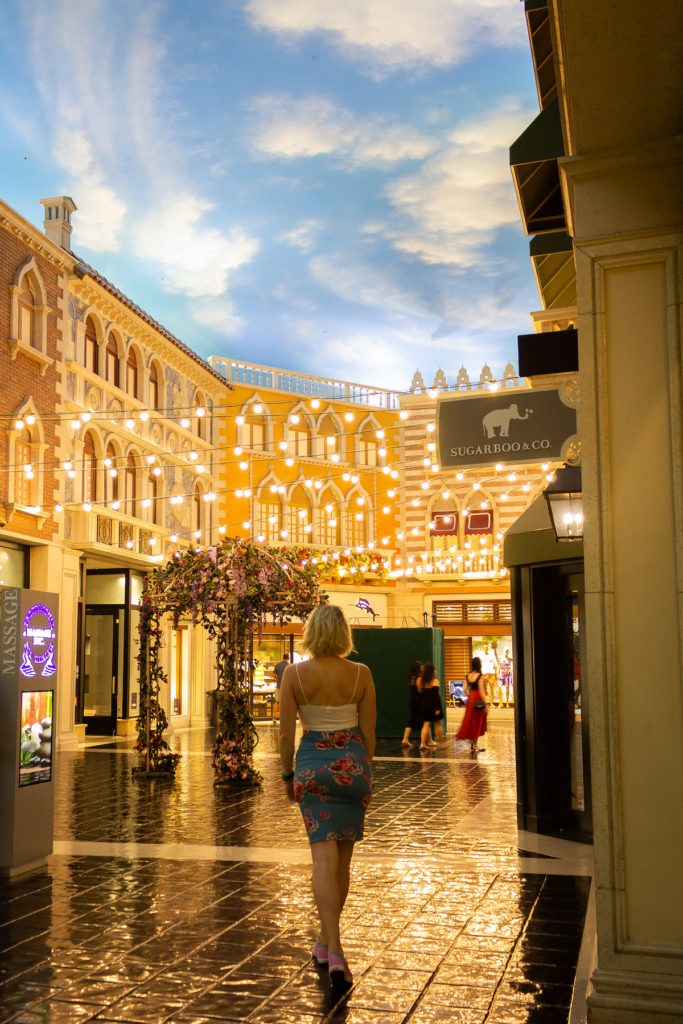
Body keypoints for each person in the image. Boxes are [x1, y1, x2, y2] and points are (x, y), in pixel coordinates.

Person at [279, 604, 376, 989]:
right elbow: (369, 733)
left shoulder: (294, 674)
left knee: (322, 858)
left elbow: (286, 735)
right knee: (343, 863)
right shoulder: (361, 674)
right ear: (343, 634)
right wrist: (363, 770)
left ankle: (333, 947)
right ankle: (326, 943)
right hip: (351, 766)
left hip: (312, 766)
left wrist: (288, 775)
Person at [455, 656, 488, 755]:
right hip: (477, 698)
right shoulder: (480, 676)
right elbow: (482, 691)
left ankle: (473, 743)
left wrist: (469, 696)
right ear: (479, 665)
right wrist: (486, 704)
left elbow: (464, 689)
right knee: (477, 721)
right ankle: (474, 744)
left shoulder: (468, 676)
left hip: (470, 699)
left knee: (470, 720)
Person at [418, 662, 443, 750]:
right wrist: (437, 708)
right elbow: (435, 696)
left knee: (425, 724)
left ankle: (422, 744)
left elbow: (420, 692)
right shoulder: (435, 681)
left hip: (423, 703)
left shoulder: (421, 681)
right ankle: (441, 742)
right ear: (432, 671)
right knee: (438, 724)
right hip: (433, 704)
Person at [401, 660, 423, 747]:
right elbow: (421, 691)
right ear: (418, 668)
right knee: (425, 721)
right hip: (419, 702)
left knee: (411, 721)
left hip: (413, 701)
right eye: (421, 666)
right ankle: (426, 742)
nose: (422, 667)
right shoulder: (418, 679)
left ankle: (405, 739)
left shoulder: (411, 678)